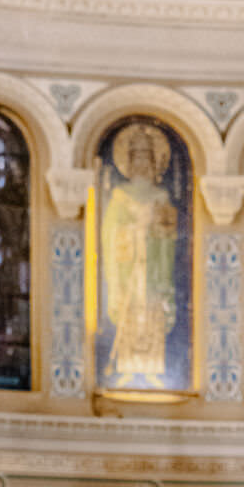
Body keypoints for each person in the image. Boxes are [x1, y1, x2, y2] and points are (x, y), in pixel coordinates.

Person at [100, 121, 178, 388]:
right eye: (137, 157)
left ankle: (153, 368)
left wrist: (154, 228)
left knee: (152, 313)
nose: (143, 163)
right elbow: (109, 234)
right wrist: (132, 230)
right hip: (128, 267)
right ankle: (128, 368)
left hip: (154, 267)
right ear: (129, 162)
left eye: (148, 157)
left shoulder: (161, 195)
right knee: (129, 312)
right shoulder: (120, 196)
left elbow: (169, 233)